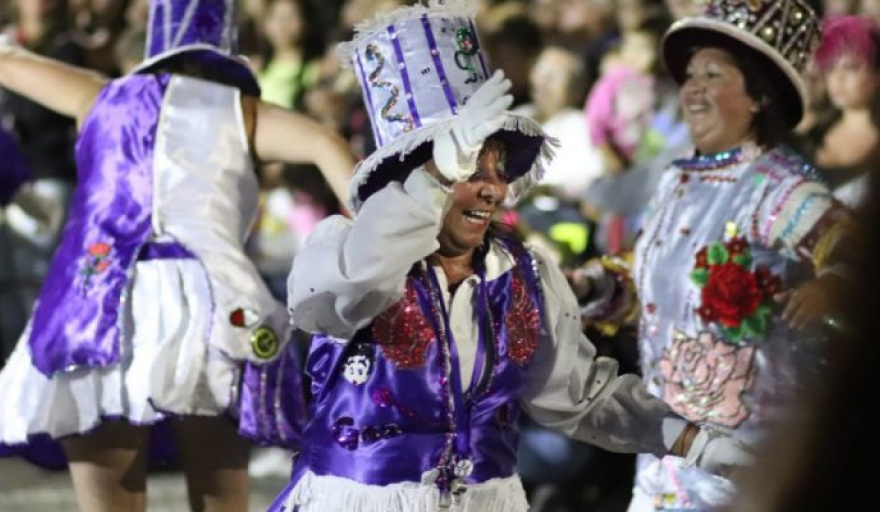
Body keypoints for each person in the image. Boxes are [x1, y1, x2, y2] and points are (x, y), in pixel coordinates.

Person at [264, 2, 751, 511]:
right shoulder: (341, 245)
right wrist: (434, 176)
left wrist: (695, 441)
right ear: (417, 173)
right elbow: (344, 292)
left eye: (499, 169)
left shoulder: (522, 274)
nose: (493, 188)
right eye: (471, 166)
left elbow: (579, 398)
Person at [0, 0, 355, 510]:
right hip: (209, 304)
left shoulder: (102, 95)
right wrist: (376, 238)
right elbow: (325, 142)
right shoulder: (242, 111)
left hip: (97, 303)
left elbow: (8, 61)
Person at [569, 1, 856, 510]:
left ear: (758, 98)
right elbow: (643, 285)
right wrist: (593, 285)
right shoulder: (677, 181)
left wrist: (830, 282)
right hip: (666, 455)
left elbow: (853, 247)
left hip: (745, 461)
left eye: (713, 74)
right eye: (689, 75)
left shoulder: (776, 187)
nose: (693, 87)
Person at [802, 16, 880, 207]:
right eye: (830, 69)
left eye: (850, 68)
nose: (837, 79)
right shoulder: (810, 132)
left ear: (876, 74)